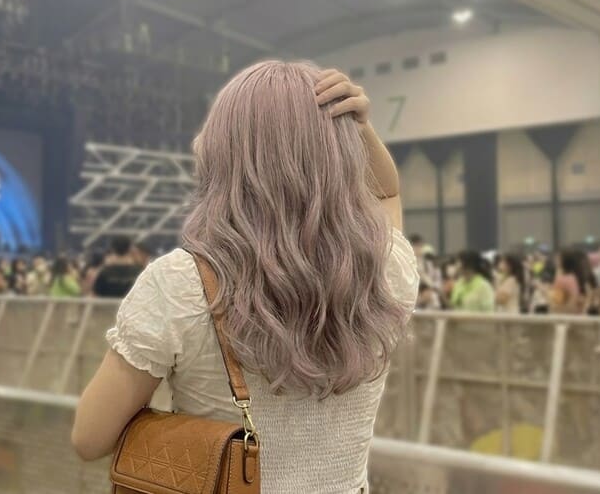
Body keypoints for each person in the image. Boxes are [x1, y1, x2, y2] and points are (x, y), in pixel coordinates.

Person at [72, 62, 418, 492]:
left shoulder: (181, 282)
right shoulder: (386, 269)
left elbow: (89, 438)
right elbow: (387, 194)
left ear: (225, 152)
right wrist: (359, 129)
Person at [550, 248, 590, 315]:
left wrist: (545, 293)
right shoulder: (573, 277)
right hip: (575, 315)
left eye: (557, 258)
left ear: (562, 261)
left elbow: (556, 303)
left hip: (563, 316)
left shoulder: (562, 279)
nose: (555, 260)